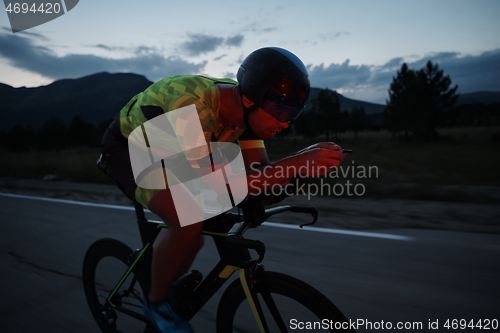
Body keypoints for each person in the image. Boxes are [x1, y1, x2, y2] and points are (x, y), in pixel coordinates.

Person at [99, 47, 347, 332]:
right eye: (280, 110)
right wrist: (293, 164)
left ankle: (165, 276)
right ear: (248, 99)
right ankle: (156, 304)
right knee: (189, 219)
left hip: (173, 145)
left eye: (293, 112)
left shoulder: (251, 110)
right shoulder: (190, 106)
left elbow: (259, 175)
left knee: (200, 230)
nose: (285, 122)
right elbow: (210, 188)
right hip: (129, 149)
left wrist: (301, 170)